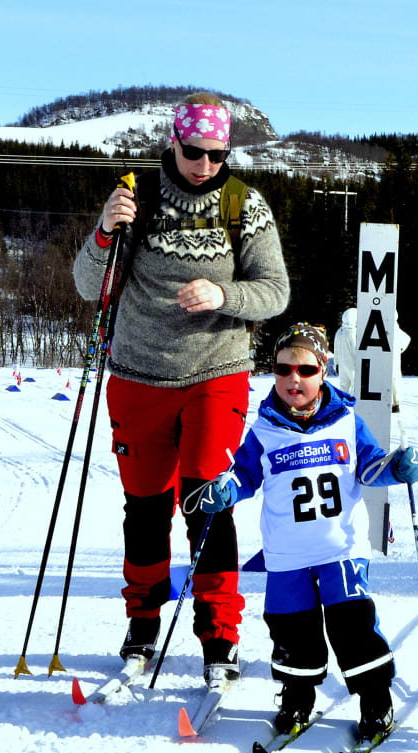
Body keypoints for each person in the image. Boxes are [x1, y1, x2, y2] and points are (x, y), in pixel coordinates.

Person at [72, 91, 290, 681]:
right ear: (174, 142)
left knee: (208, 505)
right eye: (195, 152)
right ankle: (142, 625)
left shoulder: (245, 206)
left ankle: (219, 635)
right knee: (145, 511)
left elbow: (275, 291)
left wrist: (225, 295)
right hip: (138, 376)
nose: (205, 165)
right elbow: (90, 286)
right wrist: (103, 231)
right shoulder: (136, 198)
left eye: (218, 155)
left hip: (215, 374)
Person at [196, 324, 418, 740]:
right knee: (291, 630)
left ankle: (375, 699)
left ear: (323, 370)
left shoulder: (347, 422)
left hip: (340, 549)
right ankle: (297, 696)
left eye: (305, 369)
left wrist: (396, 467)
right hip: (287, 556)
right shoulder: (264, 430)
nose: (293, 379)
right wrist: (226, 489)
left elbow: (370, 467)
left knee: (353, 626)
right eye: (283, 369)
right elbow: (244, 474)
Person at [333, 306, 410, 410]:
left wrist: (336, 363)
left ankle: (344, 404)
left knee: (345, 383)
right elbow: (358, 349)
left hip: (343, 364)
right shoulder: (354, 332)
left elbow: (336, 350)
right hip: (355, 363)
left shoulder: (340, 332)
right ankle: (394, 403)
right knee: (359, 383)